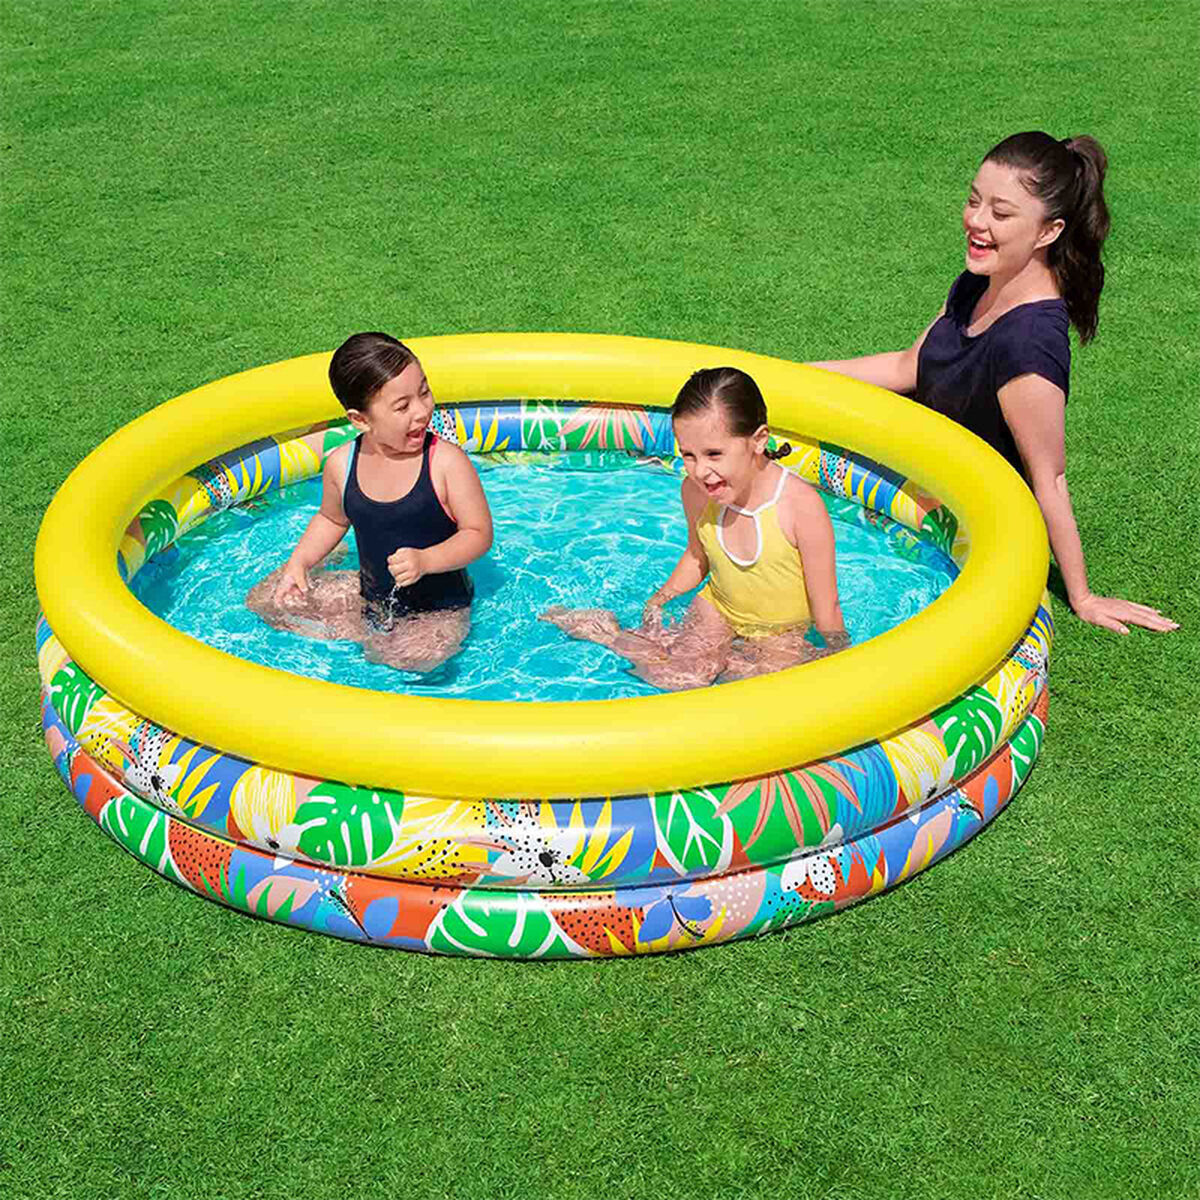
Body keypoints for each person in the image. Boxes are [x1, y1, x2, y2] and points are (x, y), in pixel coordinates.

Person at [809, 130, 1176, 636]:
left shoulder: (1029, 343)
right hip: (920, 480)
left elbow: (1048, 479)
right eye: (974, 201)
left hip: (970, 519)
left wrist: (1083, 596)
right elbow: (906, 368)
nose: (976, 221)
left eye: (1000, 213)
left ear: (1048, 232)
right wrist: (787, 376)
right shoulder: (979, 282)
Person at [541, 366, 847, 691]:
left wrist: (840, 659)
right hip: (718, 609)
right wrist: (659, 600)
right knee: (678, 678)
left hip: (781, 632)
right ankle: (605, 631)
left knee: (761, 690)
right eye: (688, 455)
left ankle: (716, 659)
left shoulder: (800, 507)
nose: (701, 471)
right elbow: (696, 555)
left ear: (758, 440)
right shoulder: (697, 492)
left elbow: (826, 605)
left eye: (714, 454)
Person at [247, 332, 494, 671]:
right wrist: (300, 563)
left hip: (437, 610)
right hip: (370, 596)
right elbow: (331, 519)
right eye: (402, 406)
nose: (422, 411)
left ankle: (365, 638)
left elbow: (478, 534)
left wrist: (427, 560)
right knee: (266, 600)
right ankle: (364, 631)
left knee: (410, 660)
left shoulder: (446, 463)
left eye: (424, 392)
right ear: (360, 419)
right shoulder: (342, 463)